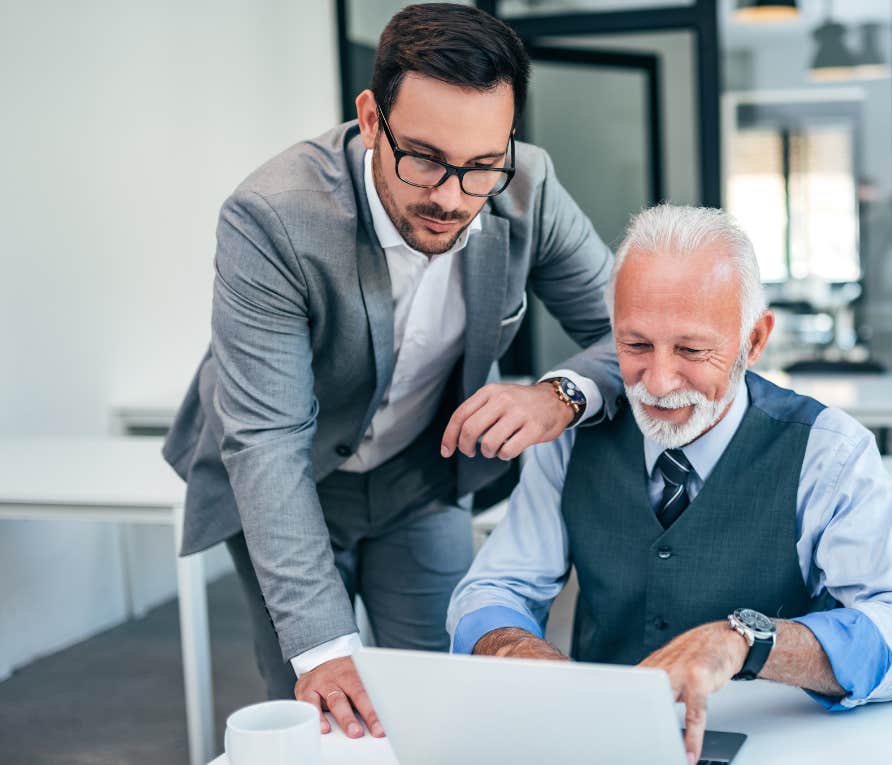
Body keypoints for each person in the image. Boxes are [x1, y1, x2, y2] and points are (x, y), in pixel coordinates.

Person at [162, 4, 621, 739]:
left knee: (441, 689)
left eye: (480, 166)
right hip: (291, 477)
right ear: (371, 118)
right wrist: (328, 650)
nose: (451, 196)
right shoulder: (272, 217)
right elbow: (270, 442)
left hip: (420, 474)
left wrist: (560, 394)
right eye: (426, 159)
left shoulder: (528, 185)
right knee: (319, 703)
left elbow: (624, 332)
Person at [447, 204, 892, 765]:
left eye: (691, 350)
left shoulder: (827, 451)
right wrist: (521, 653)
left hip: (781, 746)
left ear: (754, 340)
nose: (659, 382)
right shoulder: (570, 443)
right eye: (636, 346)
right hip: (607, 747)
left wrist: (750, 640)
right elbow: (492, 591)